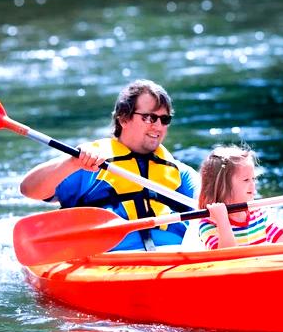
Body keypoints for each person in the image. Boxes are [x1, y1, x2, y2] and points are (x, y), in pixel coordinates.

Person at [20, 79, 199, 251]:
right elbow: (29, 189)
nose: (158, 126)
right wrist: (71, 163)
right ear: (123, 119)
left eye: (164, 119)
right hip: (108, 256)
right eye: (149, 118)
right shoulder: (89, 163)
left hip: (173, 254)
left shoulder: (180, 173)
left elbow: (212, 206)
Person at [198, 145, 283, 249]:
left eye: (253, 179)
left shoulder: (259, 213)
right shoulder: (208, 224)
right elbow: (226, 258)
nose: (253, 184)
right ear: (223, 186)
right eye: (246, 180)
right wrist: (223, 221)